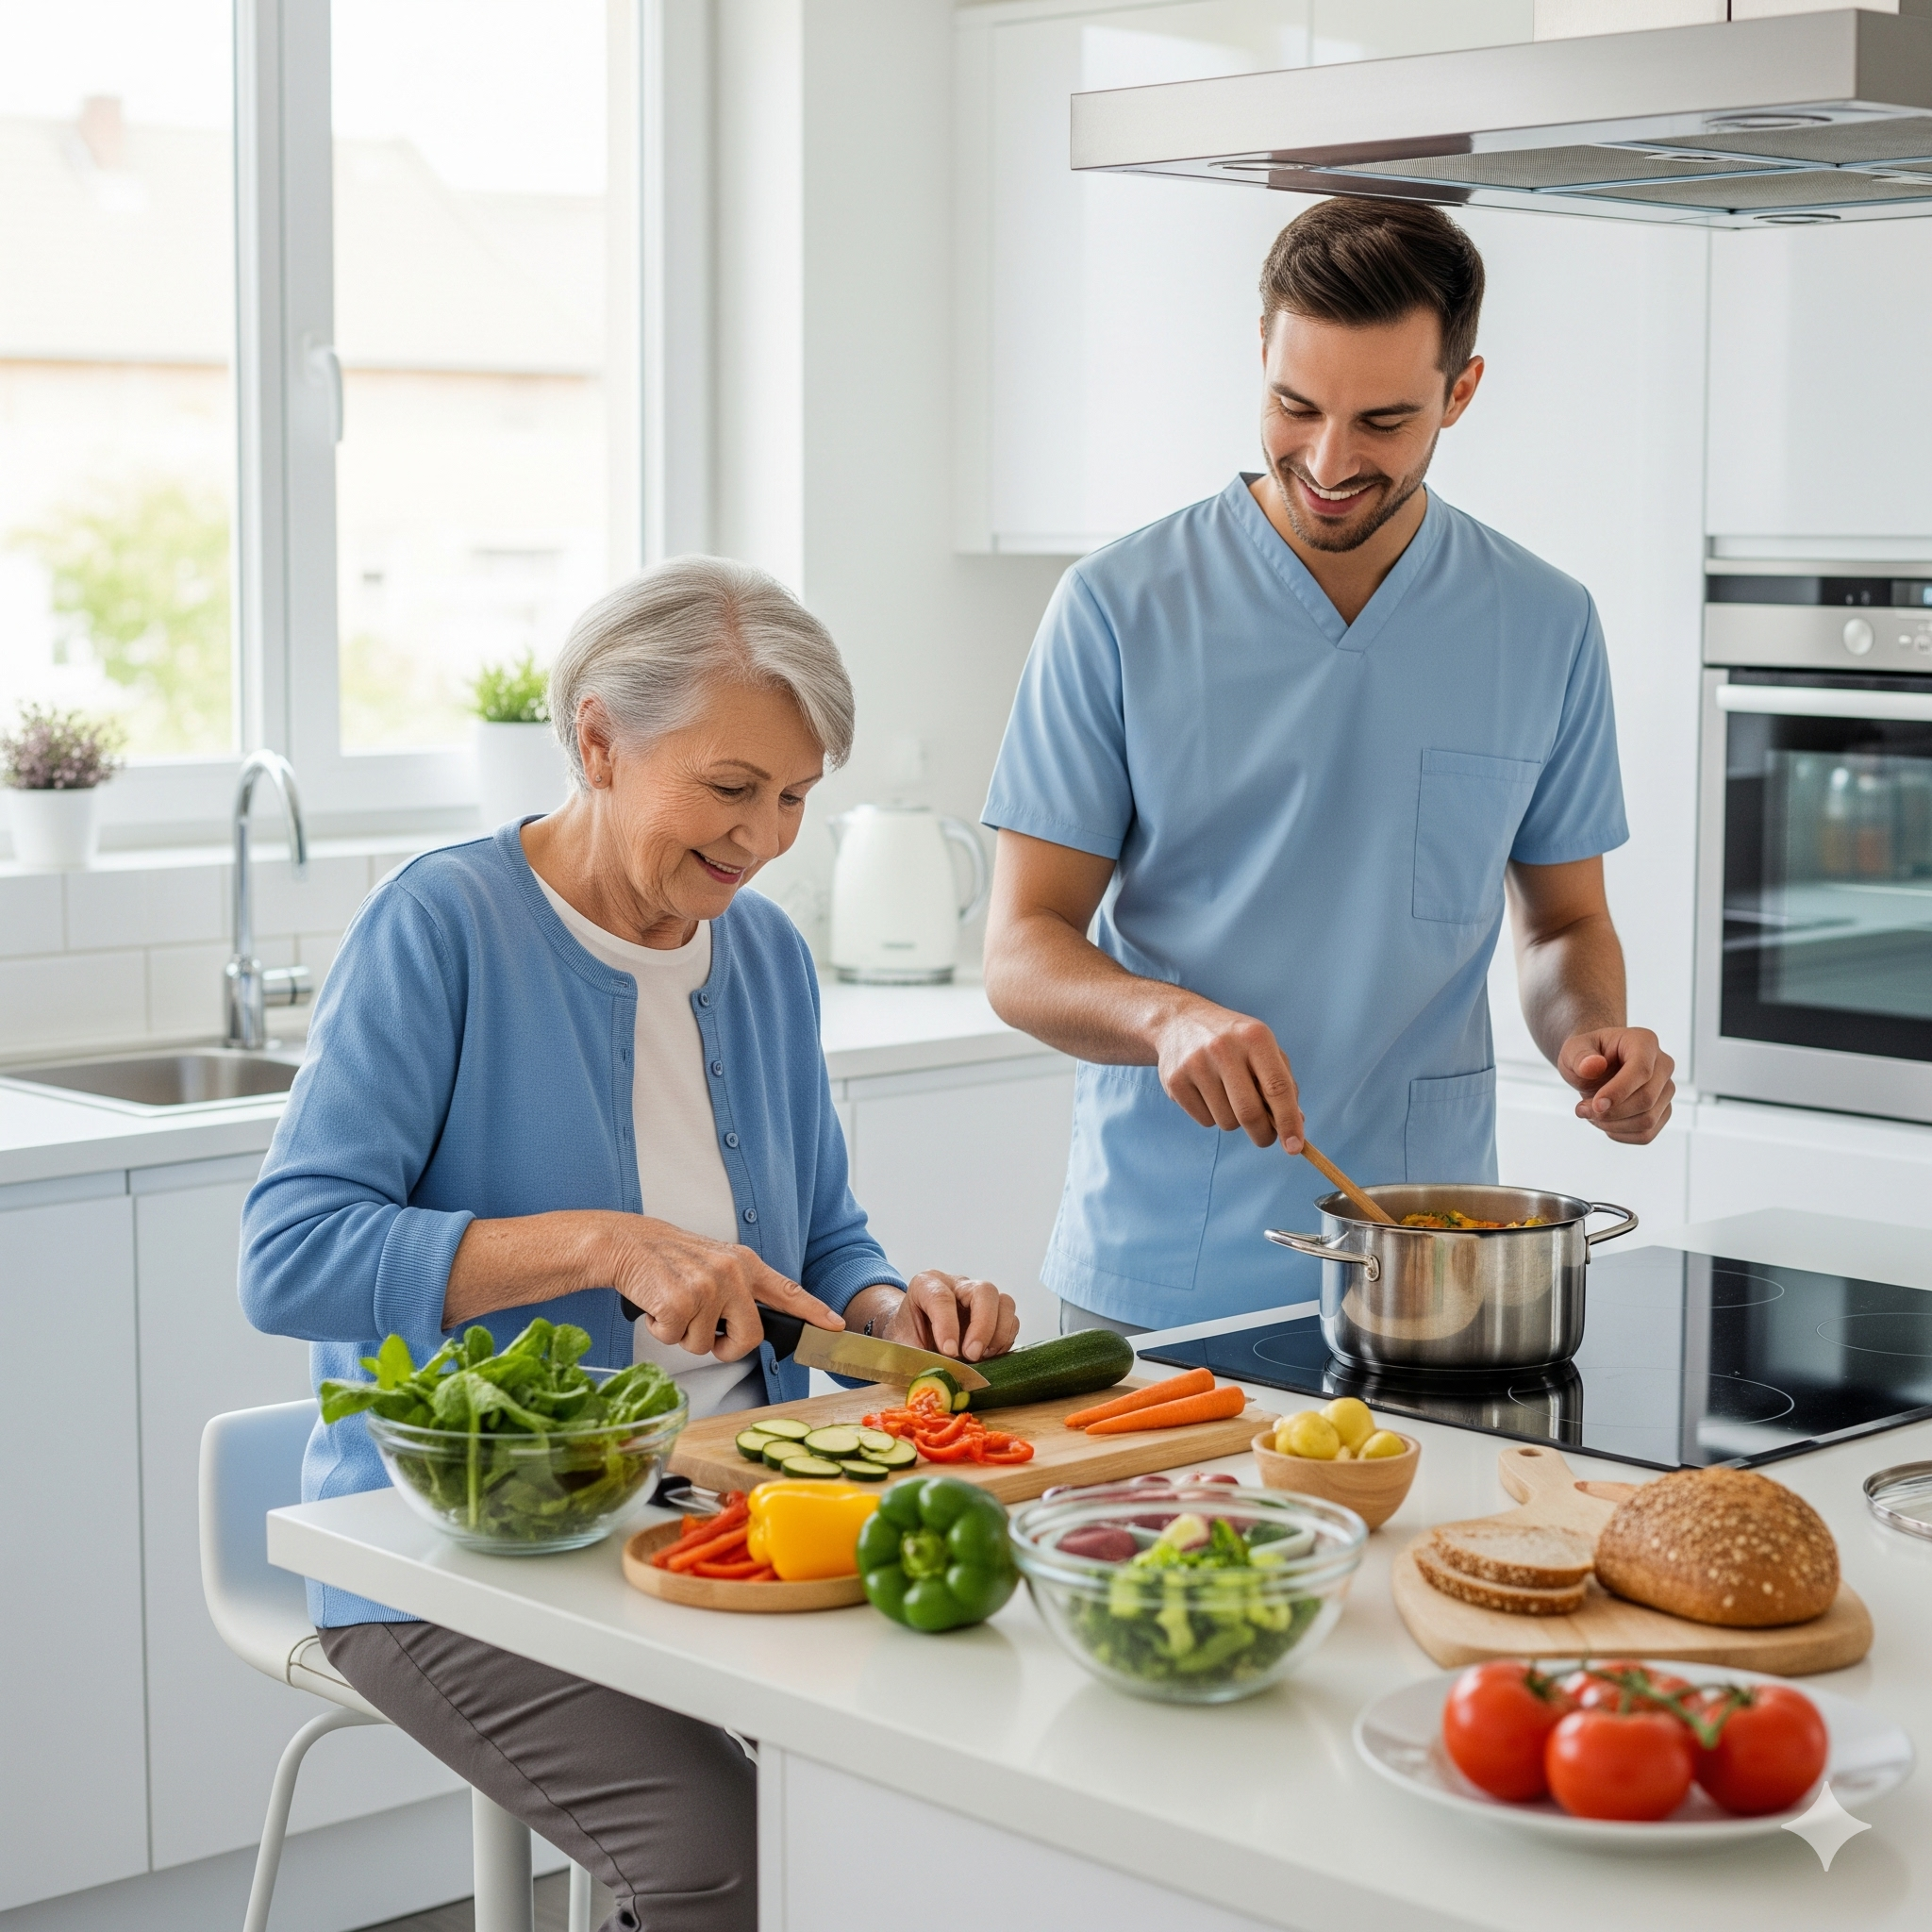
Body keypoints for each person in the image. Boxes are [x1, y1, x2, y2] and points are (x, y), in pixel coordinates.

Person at [241, 556, 1019, 1932]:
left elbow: (823, 1230)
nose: (765, 838)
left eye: (793, 798)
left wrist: (893, 1313)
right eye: (730, 790)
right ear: (597, 738)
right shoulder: (446, 927)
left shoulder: (763, 952)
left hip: (737, 1503)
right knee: (728, 1852)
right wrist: (606, 1246)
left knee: (957, 1779)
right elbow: (291, 1254)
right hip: (460, 1548)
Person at [980, 196, 1675, 1340]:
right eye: (1293, 406)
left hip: (1428, 1265)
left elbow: (1559, 926)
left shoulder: (1542, 621)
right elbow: (1020, 950)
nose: (1328, 460)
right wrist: (1163, 1018)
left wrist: (1590, 1037)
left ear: (1461, 392)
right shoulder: (1116, 606)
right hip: (1162, 1261)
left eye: (1383, 421)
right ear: (1260, 352)